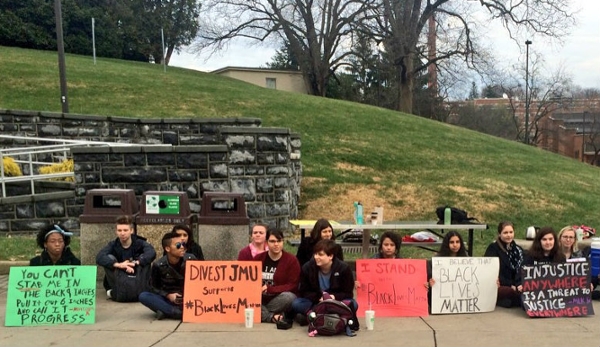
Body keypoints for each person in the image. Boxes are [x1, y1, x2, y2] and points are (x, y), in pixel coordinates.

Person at [283, 239, 356, 328]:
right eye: (315, 254)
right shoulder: (307, 267)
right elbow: (304, 291)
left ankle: (313, 315)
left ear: (330, 256)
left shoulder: (344, 269)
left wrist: (333, 297)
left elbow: (348, 293)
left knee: (353, 304)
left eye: (320, 255)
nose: (316, 257)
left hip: (336, 302)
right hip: (316, 301)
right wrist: (319, 297)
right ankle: (330, 315)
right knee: (296, 303)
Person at [96, 215, 156, 299]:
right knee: (109, 258)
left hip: (137, 276)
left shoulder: (140, 242)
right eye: (119, 230)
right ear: (116, 232)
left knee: (145, 258)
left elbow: (151, 253)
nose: (122, 233)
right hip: (119, 277)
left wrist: (135, 263)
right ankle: (116, 289)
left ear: (131, 230)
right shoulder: (113, 244)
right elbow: (99, 257)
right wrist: (119, 265)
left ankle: (143, 288)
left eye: (125, 230)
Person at [139, 232, 196, 320]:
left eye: (183, 244)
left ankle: (165, 311)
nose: (182, 247)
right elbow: (153, 287)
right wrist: (168, 295)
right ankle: (176, 313)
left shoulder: (191, 259)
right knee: (144, 296)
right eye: (178, 245)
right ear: (167, 248)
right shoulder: (158, 265)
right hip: (169, 299)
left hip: (189, 298)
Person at [253, 228, 300, 324]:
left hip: (278, 299)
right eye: (272, 241)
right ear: (266, 242)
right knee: (247, 300)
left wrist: (270, 289)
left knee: (290, 297)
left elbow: (293, 285)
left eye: (279, 241)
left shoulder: (291, 260)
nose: (276, 244)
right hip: (259, 298)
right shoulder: (258, 259)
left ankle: (261, 313)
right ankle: (273, 317)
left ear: (283, 242)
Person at [483, 221, 525, 308]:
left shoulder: (518, 250)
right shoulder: (493, 248)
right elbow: (491, 271)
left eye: (511, 232)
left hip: (516, 284)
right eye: (505, 233)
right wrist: (510, 284)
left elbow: (523, 268)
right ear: (499, 234)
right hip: (501, 283)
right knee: (509, 292)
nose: (509, 235)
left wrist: (519, 284)